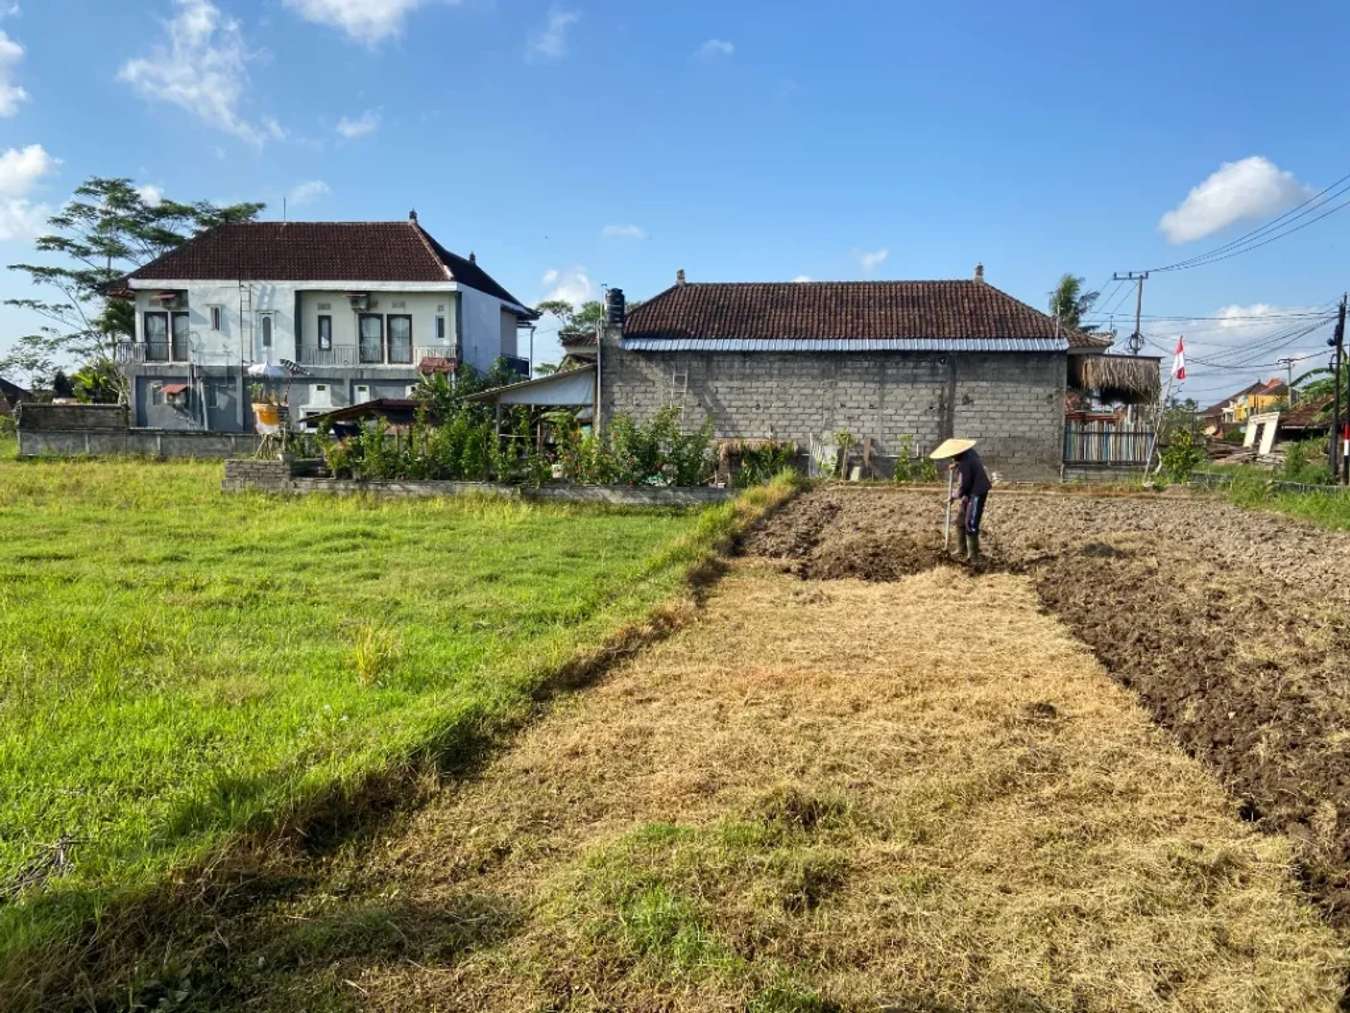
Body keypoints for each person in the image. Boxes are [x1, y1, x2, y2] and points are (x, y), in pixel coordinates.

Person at [928, 438, 992, 563]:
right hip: (970, 491)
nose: (951, 457)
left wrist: (953, 495)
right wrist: (956, 465)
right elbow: (969, 466)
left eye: (953, 455)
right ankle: (961, 549)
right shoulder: (969, 453)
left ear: (958, 453)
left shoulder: (965, 464)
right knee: (960, 521)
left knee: (971, 523)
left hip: (977, 492)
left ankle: (973, 557)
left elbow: (964, 485)